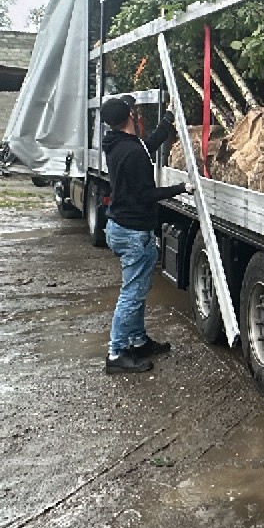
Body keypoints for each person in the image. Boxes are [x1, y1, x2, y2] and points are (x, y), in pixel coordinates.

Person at [99, 94, 184, 374]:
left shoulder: (118, 144)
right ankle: (116, 354)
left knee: (136, 290)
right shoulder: (132, 152)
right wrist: (181, 189)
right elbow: (146, 194)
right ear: (129, 117)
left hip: (122, 227)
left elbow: (148, 146)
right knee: (132, 294)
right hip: (133, 232)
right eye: (133, 111)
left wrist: (168, 118)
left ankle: (137, 341)